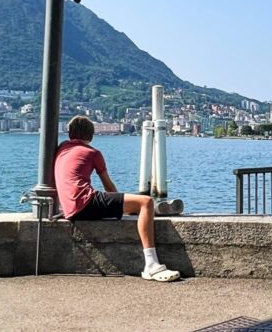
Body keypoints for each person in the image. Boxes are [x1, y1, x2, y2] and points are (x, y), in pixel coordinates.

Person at [53, 115, 180, 282]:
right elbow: (109, 188)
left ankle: (149, 211)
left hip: (69, 208)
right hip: (85, 203)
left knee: (136, 206)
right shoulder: (93, 153)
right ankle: (151, 264)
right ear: (91, 136)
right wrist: (121, 202)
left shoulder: (62, 148)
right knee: (145, 202)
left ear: (70, 134)